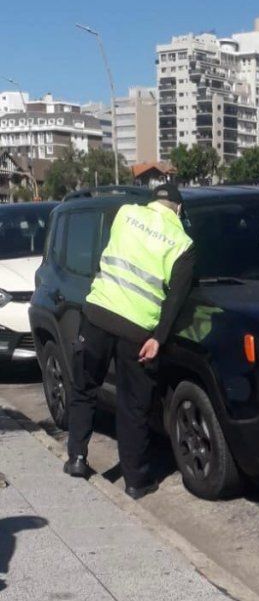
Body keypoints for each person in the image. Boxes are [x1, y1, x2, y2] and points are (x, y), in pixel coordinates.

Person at [64, 184, 195, 500]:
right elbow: (176, 298)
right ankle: (136, 482)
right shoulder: (183, 243)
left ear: (155, 202)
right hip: (137, 331)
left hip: (97, 315)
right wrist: (158, 340)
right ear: (178, 210)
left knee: (84, 388)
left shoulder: (125, 214)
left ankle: (78, 459)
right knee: (133, 406)